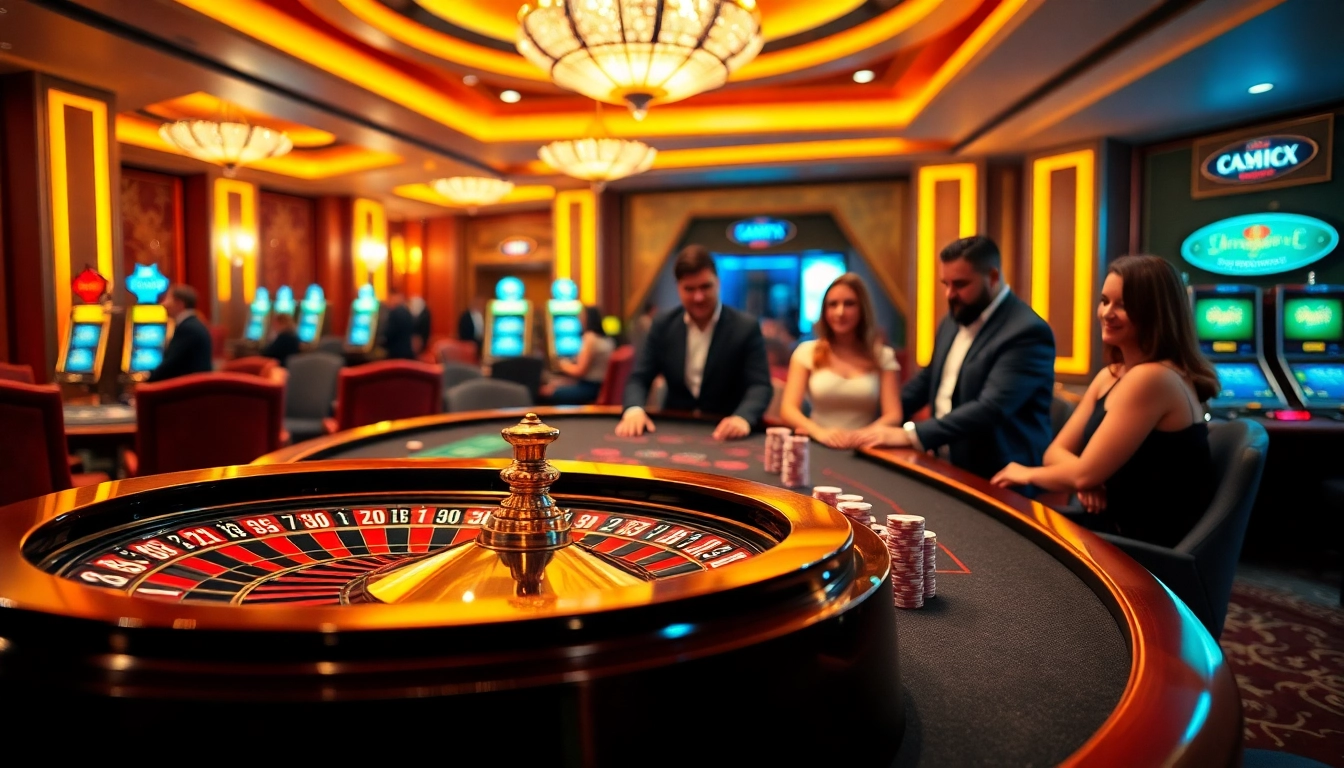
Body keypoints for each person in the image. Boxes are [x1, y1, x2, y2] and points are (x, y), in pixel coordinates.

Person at [991, 255, 1218, 547]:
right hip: (1111, 527)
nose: (1107, 312)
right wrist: (1086, 476)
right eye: (1105, 301)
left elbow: (1083, 473)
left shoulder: (1154, 378)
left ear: (1154, 312)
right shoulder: (1111, 375)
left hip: (1144, 548)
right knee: (1008, 532)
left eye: (1122, 305)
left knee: (1010, 541)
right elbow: (1055, 453)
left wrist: (1028, 473)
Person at [854, 235, 1055, 480]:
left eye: (960, 284)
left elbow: (990, 409)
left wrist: (909, 434)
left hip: (998, 477)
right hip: (945, 464)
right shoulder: (952, 320)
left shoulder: (1027, 332)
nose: (949, 294)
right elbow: (928, 379)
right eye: (945, 284)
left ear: (992, 277)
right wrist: (882, 419)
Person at [618, 245, 772, 441]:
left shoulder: (746, 327)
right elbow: (639, 378)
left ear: (718, 283)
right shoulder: (662, 324)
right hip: (672, 429)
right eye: (689, 289)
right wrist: (634, 410)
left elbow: (760, 386)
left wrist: (742, 418)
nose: (698, 297)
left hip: (726, 432)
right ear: (678, 288)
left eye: (705, 287)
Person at [780, 273, 902, 447]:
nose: (840, 312)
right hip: (818, 444)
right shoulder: (806, 352)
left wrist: (861, 436)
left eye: (849, 304)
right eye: (833, 304)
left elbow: (893, 415)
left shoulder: (883, 356)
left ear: (863, 309)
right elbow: (788, 410)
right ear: (824, 310)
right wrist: (819, 432)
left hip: (864, 447)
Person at [541, 306, 616, 405]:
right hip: (600, 387)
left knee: (546, 392)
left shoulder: (590, 338)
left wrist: (561, 364)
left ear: (588, 318)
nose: (579, 319)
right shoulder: (608, 339)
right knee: (554, 384)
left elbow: (579, 371)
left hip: (591, 389)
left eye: (581, 316)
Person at [148, 284, 213, 382]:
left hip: (190, 391)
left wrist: (145, 382)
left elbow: (170, 365)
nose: (164, 304)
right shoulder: (192, 323)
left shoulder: (188, 328)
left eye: (168, 299)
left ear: (179, 304)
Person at [380, 290, 416, 360]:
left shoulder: (394, 313)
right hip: (408, 352)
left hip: (396, 354)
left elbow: (388, 333)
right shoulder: (407, 312)